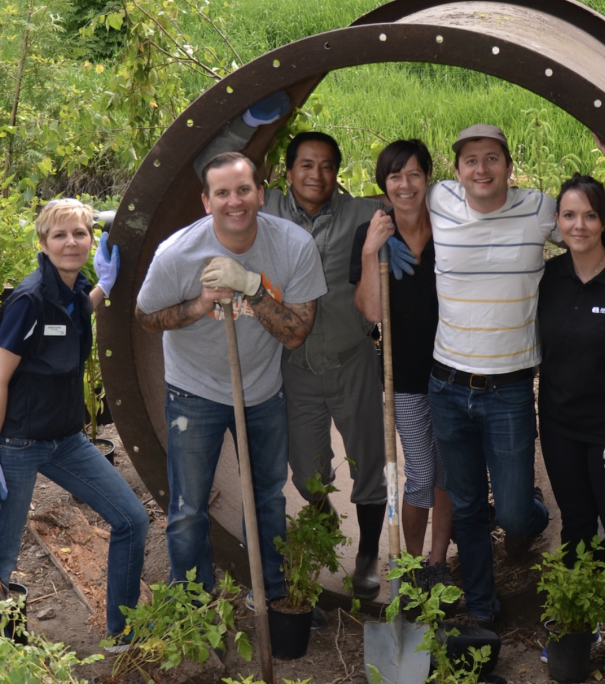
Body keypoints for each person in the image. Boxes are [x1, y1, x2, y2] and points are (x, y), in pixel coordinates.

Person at [426, 124, 605, 624]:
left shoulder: (539, 207)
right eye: (470, 160)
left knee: (514, 513)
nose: (481, 168)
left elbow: (587, 228)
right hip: (447, 383)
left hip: (509, 388)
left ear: (508, 167)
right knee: (469, 508)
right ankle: (481, 603)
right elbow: (399, 202)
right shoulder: (438, 199)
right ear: (456, 171)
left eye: (492, 158)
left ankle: (533, 513)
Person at [135, 152, 327, 612]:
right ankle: (193, 605)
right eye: (222, 192)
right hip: (193, 390)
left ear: (261, 194)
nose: (234, 201)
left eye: (243, 190)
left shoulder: (293, 246)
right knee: (187, 509)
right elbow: (144, 317)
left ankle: (269, 592)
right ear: (206, 201)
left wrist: (251, 287)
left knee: (265, 497)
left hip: (261, 391)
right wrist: (200, 304)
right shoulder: (178, 254)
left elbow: (297, 334)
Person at [0, 199, 149, 643]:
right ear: (43, 242)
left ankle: (122, 631)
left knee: (132, 520)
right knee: (2, 550)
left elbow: (70, 320)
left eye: (80, 233)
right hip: (18, 443)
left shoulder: (75, 291)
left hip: (66, 440)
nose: (71, 242)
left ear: (91, 240)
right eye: (60, 235)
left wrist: (102, 289)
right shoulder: (26, 302)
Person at [261, 132, 390, 599]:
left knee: (370, 462)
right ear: (289, 170)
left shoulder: (360, 214)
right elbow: (215, 170)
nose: (317, 175)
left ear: (338, 171)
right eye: (306, 165)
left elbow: (415, 201)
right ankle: (321, 526)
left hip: (353, 360)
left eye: (328, 166)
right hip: (293, 366)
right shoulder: (265, 208)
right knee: (307, 470)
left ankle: (369, 554)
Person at [536, 173, 605, 673]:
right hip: (560, 423)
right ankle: (580, 617)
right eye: (568, 215)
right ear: (557, 223)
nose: (578, 225)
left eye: (589, 215)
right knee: (576, 524)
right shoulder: (551, 278)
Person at [351, 140, 454, 589]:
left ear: (426, 177)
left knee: (449, 469)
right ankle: (411, 564)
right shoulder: (374, 231)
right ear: (384, 183)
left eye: (414, 174)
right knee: (422, 472)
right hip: (405, 375)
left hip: (455, 369)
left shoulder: (449, 223)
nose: (405, 184)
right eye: (395, 176)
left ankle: (437, 561)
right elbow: (372, 312)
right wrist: (370, 252)